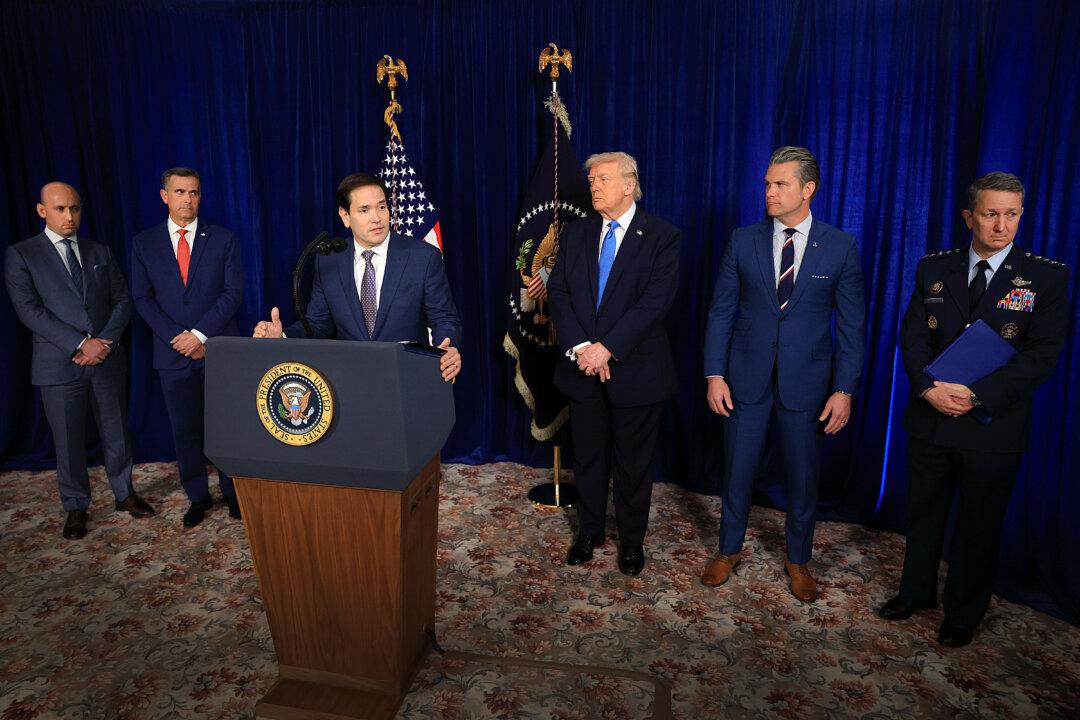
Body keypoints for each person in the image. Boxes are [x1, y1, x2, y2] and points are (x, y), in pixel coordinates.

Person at [879, 172, 1069, 647]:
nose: (1001, 225)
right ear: (970, 216)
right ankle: (915, 593)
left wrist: (976, 396)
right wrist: (927, 390)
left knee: (979, 525)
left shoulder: (1046, 277)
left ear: (1021, 215)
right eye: (990, 214)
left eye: (1011, 214)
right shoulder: (933, 268)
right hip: (931, 416)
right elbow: (913, 336)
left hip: (993, 426)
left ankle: (963, 613)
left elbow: (1042, 355)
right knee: (922, 512)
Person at [701, 146, 865, 601]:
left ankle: (798, 560)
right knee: (737, 469)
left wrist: (844, 390)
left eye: (780, 184)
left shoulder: (840, 246)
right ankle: (728, 550)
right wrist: (715, 373)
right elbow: (721, 312)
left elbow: (852, 328)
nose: (769, 192)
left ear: (807, 189)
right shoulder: (742, 239)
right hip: (744, 378)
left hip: (808, 384)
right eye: (768, 183)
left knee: (803, 475)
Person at [547, 151, 681, 576]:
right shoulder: (576, 234)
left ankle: (631, 542)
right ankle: (589, 532)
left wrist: (608, 347)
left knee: (633, 465)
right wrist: (585, 347)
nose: (594, 186)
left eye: (603, 179)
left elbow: (655, 304)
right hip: (582, 367)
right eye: (591, 180)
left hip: (636, 372)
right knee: (586, 459)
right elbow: (560, 293)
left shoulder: (661, 236)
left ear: (629, 184)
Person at [4, 182, 155, 539]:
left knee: (116, 431)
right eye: (59, 209)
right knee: (68, 441)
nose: (69, 216)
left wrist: (103, 342)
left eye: (74, 208)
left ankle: (124, 493)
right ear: (42, 210)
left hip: (105, 358)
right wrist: (80, 343)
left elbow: (122, 301)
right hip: (58, 365)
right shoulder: (22, 254)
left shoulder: (98, 250)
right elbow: (29, 310)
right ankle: (75, 506)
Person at [252, 173, 462, 382]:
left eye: (381, 207)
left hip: (408, 380)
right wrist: (282, 336)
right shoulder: (329, 261)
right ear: (345, 216)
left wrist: (447, 346)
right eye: (364, 210)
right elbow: (318, 326)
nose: (377, 218)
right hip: (352, 384)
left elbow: (443, 318)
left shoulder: (422, 257)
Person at [131, 167, 244, 528]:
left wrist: (199, 335)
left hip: (217, 350)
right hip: (171, 354)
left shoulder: (223, 238)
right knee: (185, 429)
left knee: (225, 426)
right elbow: (142, 298)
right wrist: (179, 339)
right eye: (180, 192)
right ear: (165, 195)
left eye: (194, 193)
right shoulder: (143, 243)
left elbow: (232, 293)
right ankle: (197, 496)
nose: (188, 200)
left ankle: (232, 492)